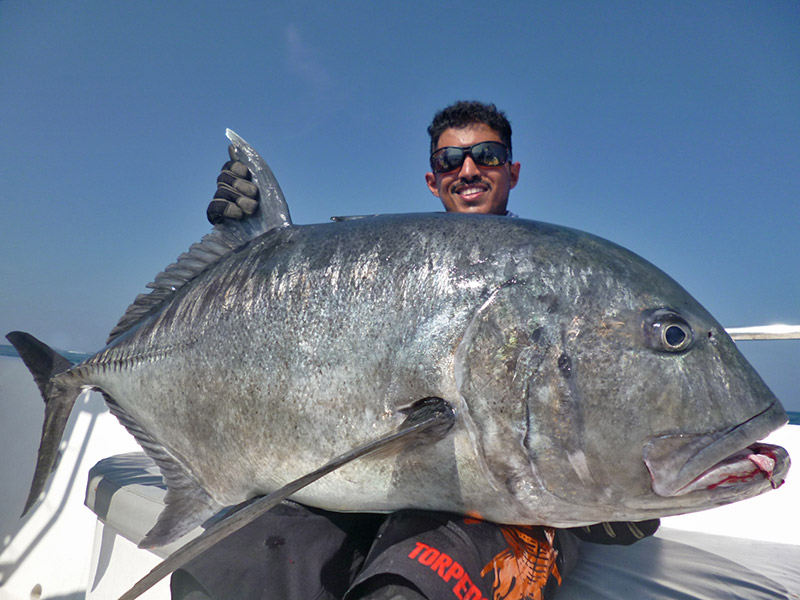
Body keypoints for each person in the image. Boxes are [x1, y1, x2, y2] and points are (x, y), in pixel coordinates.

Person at [188, 101, 658, 600]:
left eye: (487, 155)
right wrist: (245, 250)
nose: (469, 169)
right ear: (433, 181)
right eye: (449, 160)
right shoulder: (386, 268)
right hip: (372, 486)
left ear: (512, 171)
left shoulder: (558, 278)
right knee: (228, 574)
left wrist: (625, 478)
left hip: (503, 511)